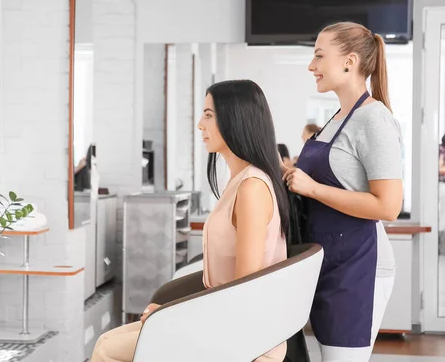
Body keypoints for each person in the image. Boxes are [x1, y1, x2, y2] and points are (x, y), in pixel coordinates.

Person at [90, 80, 291, 362]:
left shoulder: (252, 187)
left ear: (235, 119)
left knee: (107, 351)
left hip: (242, 332)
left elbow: (245, 287)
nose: (199, 124)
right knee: (106, 339)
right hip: (219, 319)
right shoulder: (238, 181)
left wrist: (174, 312)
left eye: (208, 114)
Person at [282, 22, 403, 361]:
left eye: (319, 56)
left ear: (349, 61)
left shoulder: (374, 120)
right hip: (328, 261)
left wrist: (314, 188)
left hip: (358, 265)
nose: (311, 66)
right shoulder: (337, 118)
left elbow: (388, 206)